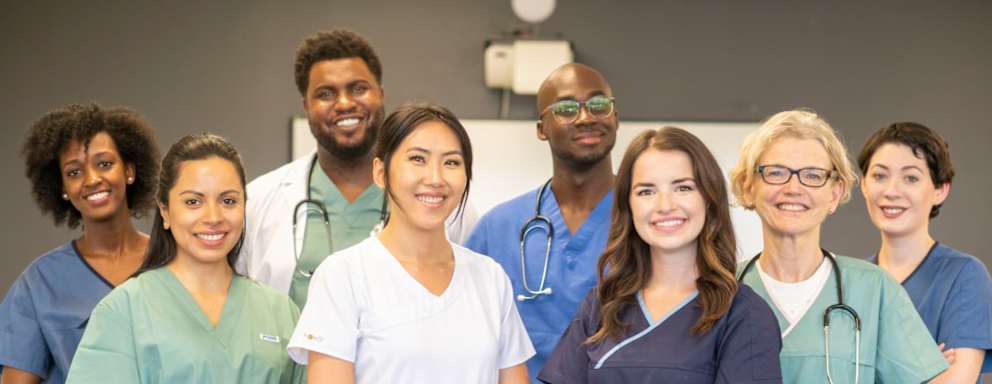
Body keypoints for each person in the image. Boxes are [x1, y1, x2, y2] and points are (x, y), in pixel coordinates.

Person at [288, 104, 533, 383]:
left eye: (451, 162)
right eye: (418, 159)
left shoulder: (490, 278)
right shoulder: (342, 275)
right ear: (380, 173)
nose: (435, 178)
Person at [238, 29, 476, 309]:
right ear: (306, 107)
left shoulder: (444, 201)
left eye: (358, 88)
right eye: (325, 94)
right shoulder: (260, 200)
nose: (345, 103)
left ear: (380, 94)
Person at [538, 127, 782, 383]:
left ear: (709, 199)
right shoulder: (602, 304)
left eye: (683, 188)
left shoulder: (743, 314)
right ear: (628, 206)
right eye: (646, 191)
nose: (665, 206)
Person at [730, 109, 948, 383]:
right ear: (748, 187)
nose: (793, 188)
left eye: (812, 175)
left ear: (835, 193)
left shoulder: (874, 289)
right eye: (776, 173)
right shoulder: (721, 290)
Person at [65, 134, 302, 383]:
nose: (213, 216)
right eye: (193, 202)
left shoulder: (280, 312)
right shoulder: (123, 311)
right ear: (165, 211)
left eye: (228, 201)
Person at [466, 63, 618, 379]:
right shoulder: (498, 229)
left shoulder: (650, 222)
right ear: (541, 128)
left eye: (599, 105)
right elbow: (463, 334)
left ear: (615, 117)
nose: (586, 117)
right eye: (565, 109)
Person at [0, 104, 159, 384]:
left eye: (105, 164)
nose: (92, 179)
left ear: (130, 171)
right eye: (74, 172)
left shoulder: (173, 261)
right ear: (62, 188)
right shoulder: (40, 284)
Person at [859, 122, 992, 383]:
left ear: (940, 190)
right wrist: (918, 370)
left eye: (911, 178)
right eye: (879, 176)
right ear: (863, 184)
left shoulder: (963, 277)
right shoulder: (853, 282)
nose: (891, 191)